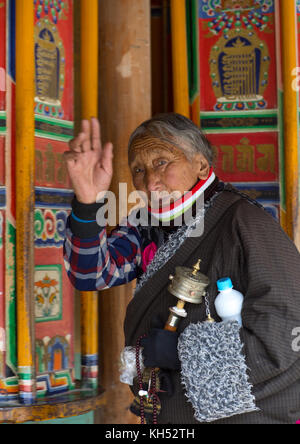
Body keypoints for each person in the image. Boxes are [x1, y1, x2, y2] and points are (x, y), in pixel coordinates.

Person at [63, 113, 300, 424]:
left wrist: (181, 353)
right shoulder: (146, 224)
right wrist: (87, 202)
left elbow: (283, 337)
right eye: (138, 169)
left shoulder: (246, 223)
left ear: (201, 166)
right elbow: (89, 273)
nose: (149, 180)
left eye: (162, 162)